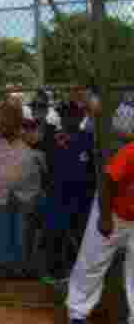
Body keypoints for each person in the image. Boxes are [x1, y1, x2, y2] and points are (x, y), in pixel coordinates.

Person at [64, 131, 134, 324]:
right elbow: (106, 183)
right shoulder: (130, 153)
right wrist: (105, 217)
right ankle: (77, 312)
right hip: (111, 209)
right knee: (93, 261)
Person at [0, 99, 44, 278]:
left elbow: (44, 170)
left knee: (23, 242)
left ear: (19, 119)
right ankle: (3, 274)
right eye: (4, 116)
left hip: (27, 201)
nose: (6, 120)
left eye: (12, 116)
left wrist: (36, 196)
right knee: (1, 240)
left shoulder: (31, 140)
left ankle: (21, 275)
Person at [39, 100, 95, 282]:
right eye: (64, 114)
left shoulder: (88, 138)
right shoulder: (52, 138)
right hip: (57, 195)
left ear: (80, 116)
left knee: (80, 236)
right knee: (54, 234)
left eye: (72, 114)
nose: (68, 118)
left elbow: (93, 168)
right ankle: (54, 273)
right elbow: (44, 166)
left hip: (82, 196)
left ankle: (80, 274)